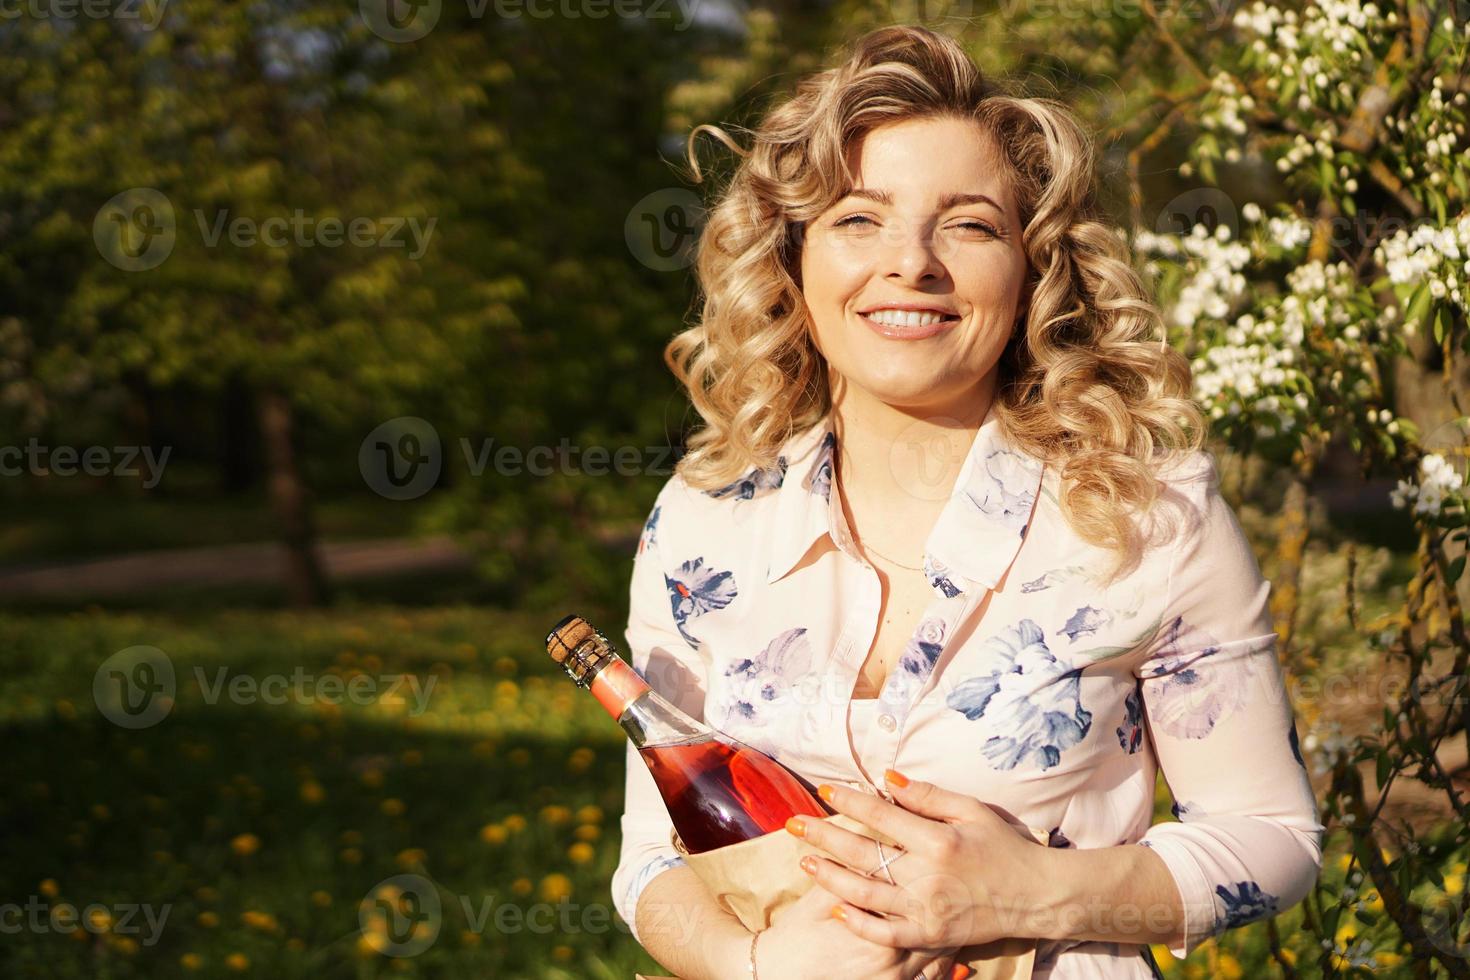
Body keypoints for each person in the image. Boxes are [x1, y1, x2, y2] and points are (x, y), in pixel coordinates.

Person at [611, 24, 1323, 980]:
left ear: (1035, 268)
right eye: (859, 218)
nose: (912, 262)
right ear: (793, 261)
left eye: (971, 223)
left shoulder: (1152, 516)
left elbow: (1274, 838)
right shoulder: (700, 522)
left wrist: (1025, 892)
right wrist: (759, 967)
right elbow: (651, 862)